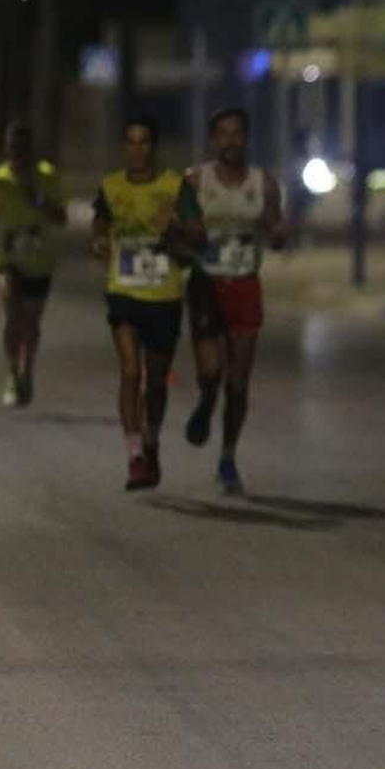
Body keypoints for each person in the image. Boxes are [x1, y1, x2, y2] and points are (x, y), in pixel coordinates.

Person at [91, 114, 205, 491]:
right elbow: (100, 225)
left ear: (154, 146)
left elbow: (199, 235)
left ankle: (152, 441)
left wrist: (174, 229)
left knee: (155, 382)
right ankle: (135, 456)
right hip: (123, 292)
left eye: (144, 143)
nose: (137, 150)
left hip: (164, 296)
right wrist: (100, 242)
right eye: (131, 142)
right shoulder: (110, 187)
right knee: (130, 372)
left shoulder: (176, 187)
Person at [183, 108, 287, 494]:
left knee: (239, 384)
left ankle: (228, 456)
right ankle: (206, 402)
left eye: (237, 134)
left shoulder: (265, 184)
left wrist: (276, 233)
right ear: (213, 139)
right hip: (205, 284)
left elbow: (277, 230)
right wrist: (187, 235)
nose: (230, 141)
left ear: (246, 138)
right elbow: (175, 228)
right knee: (211, 372)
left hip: (245, 284)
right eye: (223, 134)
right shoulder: (196, 181)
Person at [0, 121, 68, 407]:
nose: (17, 151)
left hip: (40, 260)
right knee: (13, 313)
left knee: (32, 324)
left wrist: (37, 199)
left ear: (31, 149)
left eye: (22, 146)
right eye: (12, 145)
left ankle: (28, 369)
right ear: (7, 148)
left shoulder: (47, 176)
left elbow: (61, 218)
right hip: (8, 257)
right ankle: (13, 372)